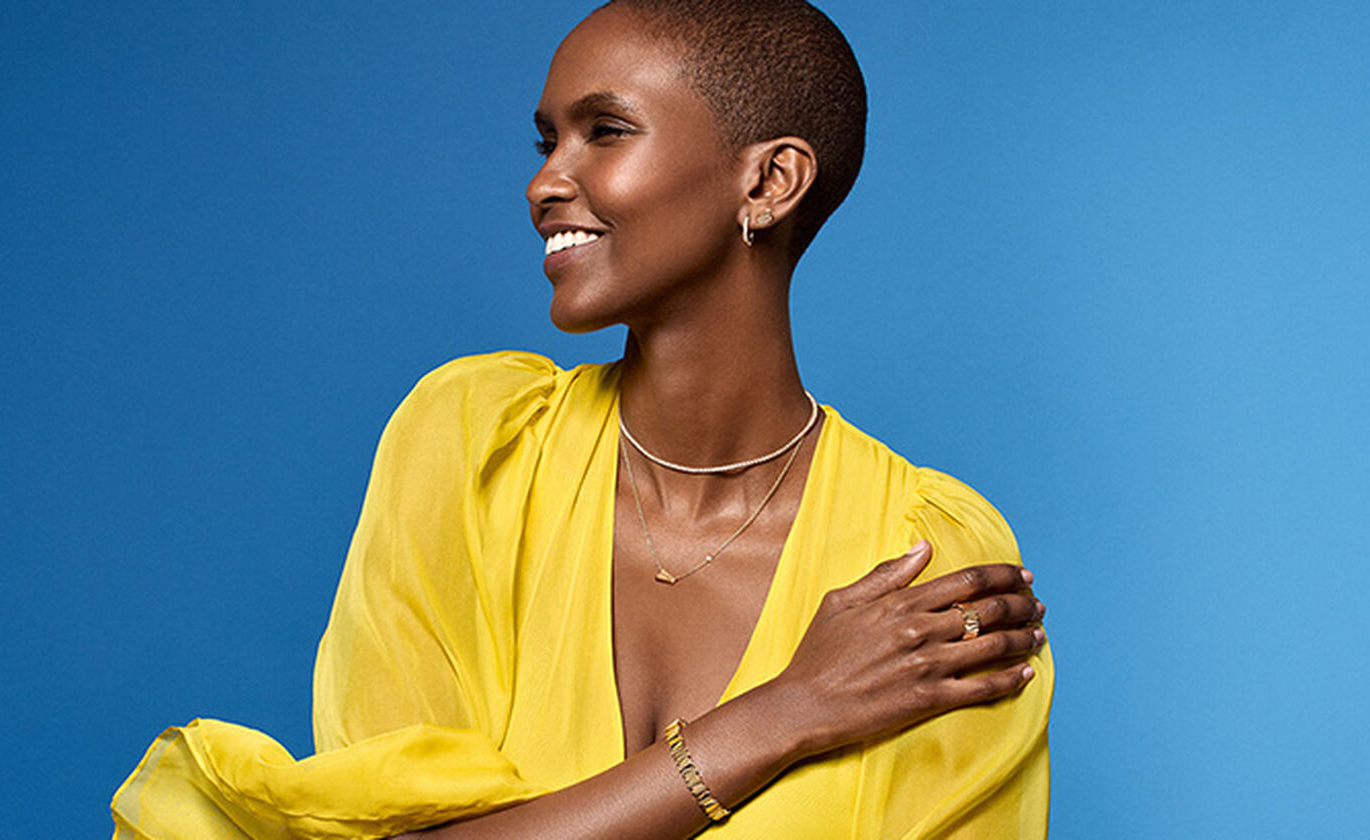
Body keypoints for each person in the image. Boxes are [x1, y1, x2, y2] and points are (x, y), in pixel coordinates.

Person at [111, 1, 1052, 838]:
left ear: (768, 183)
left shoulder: (924, 559)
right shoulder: (474, 449)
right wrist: (785, 714)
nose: (544, 184)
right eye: (544, 142)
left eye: (605, 131)